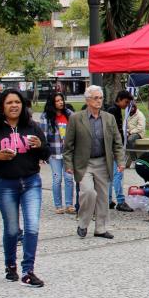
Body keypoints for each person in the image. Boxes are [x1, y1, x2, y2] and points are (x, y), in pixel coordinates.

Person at [0, 89, 50, 287]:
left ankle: (28, 271)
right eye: (9, 102)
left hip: (31, 182)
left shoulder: (32, 126)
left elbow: (46, 153)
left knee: (32, 226)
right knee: (12, 229)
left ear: (22, 105)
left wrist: (40, 146)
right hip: (5, 184)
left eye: (17, 102)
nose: (14, 106)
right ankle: (10, 265)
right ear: (2, 107)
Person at [64, 85, 125, 239]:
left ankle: (100, 228)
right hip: (84, 163)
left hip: (103, 162)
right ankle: (83, 223)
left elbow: (117, 142)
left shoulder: (109, 118)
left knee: (103, 197)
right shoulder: (76, 118)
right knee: (88, 192)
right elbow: (68, 145)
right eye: (95, 98)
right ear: (88, 100)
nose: (99, 101)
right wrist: (68, 165)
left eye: (101, 98)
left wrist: (120, 161)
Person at [39, 93, 75, 215]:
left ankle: (69, 204)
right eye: (57, 101)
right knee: (57, 178)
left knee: (69, 178)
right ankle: (58, 205)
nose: (60, 102)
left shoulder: (69, 114)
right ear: (52, 103)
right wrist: (44, 154)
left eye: (61, 100)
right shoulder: (46, 116)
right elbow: (43, 136)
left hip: (68, 152)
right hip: (54, 152)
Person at [106, 90, 133, 212]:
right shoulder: (113, 110)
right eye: (126, 102)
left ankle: (108, 200)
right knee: (118, 174)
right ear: (119, 99)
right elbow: (113, 131)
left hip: (113, 146)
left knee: (111, 175)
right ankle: (120, 201)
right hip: (114, 147)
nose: (126, 105)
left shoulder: (114, 109)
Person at [125, 102, 146, 168]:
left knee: (130, 139)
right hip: (129, 132)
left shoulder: (140, 115)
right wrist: (126, 131)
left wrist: (130, 132)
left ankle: (134, 160)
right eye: (129, 107)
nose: (131, 108)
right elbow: (125, 125)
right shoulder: (127, 114)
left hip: (139, 133)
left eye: (132, 107)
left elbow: (141, 127)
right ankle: (123, 158)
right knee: (119, 138)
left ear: (135, 107)